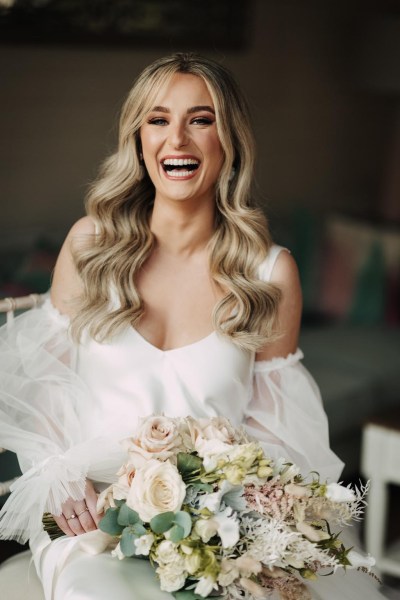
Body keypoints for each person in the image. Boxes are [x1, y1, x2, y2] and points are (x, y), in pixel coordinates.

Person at [0, 53, 383, 599]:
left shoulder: (270, 273)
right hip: (93, 524)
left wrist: (231, 513)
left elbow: (279, 430)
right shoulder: (90, 246)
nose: (176, 138)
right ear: (138, 140)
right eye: (158, 120)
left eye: (200, 120)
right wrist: (64, 481)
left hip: (216, 527)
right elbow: (42, 389)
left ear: (229, 141)